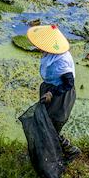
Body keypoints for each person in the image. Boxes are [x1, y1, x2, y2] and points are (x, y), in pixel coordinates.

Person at [27, 24, 80, 162]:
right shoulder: (51, 54)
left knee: (51, 125)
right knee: (44, 122)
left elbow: (69, 83)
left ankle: (70, 150)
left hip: (60, 95)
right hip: (50, 89)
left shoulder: (61, 62)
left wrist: (52, 92)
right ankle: (46, 152)